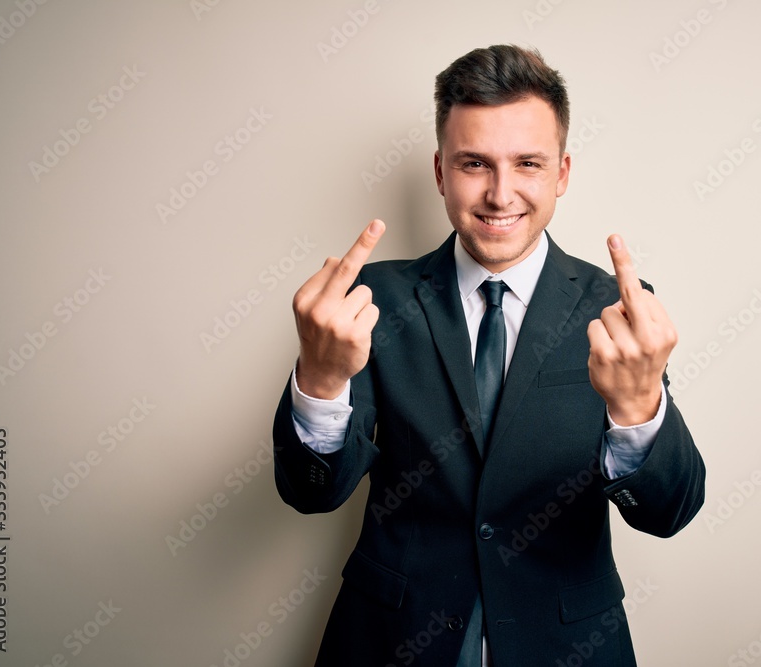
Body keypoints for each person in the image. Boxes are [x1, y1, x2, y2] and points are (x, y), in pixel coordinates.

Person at [272, 44, 705, 667]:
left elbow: (668, 512)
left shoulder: (619, 311)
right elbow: (311, 492)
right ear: (441, 172)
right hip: (391, 642)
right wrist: (319, 377)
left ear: (561, 173)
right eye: (474, 163)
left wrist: (638, 406)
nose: (501, 195)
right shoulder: (370, 301)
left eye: (528, 163)